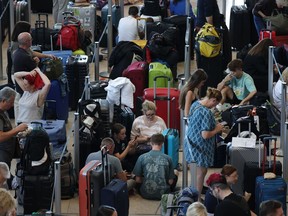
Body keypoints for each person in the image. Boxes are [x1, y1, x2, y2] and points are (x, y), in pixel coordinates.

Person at [184, 87, 223, 200]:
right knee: (199, 175)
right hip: (200, 148)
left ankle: (194, 196)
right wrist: (217, 129)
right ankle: (196, 200)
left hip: (191, 144)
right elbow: (205, 135)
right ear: (213, 100)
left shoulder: (195, 104)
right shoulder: (206, 112)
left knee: (198, 173)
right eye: (215, 104)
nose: (214, 107)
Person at [12, 32, 55, 122]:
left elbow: (32, 53)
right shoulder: (25, 57)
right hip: (24, 95)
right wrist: (36, 67)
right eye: (31, 39)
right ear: (27, 42)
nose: (32, 40)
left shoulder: (17, 52)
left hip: (21, 93)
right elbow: (38, 74)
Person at [133, 133, 177, 200]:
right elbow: (170, 182)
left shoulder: (141, 157)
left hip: (145, 194)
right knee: (175, 173)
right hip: (163, 194)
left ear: (151, 143)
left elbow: (138, 180)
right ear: (162, 144)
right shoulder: (168, 158)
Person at [0, 87, 28, 168]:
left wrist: (17, 133)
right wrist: (16, 130)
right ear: (3, 101)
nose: (12, 105)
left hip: (7, 151)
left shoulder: (3, 111)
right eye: (11, 102)